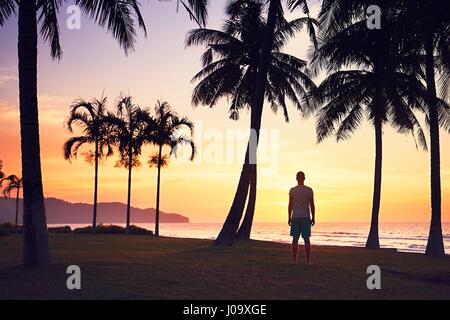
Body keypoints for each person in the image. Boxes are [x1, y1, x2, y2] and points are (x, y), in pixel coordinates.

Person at [288, 171, 315, 265]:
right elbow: (312, 205)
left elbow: (290, 205)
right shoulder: (309, 190)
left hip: (295, 216)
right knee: (306, 239)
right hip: (305, 216)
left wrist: (289, 217)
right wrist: (313, 217)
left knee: (295, 239)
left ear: (296, 178)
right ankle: (308, 261)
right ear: (304, 178)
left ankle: (294, 261)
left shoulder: (293, 190)